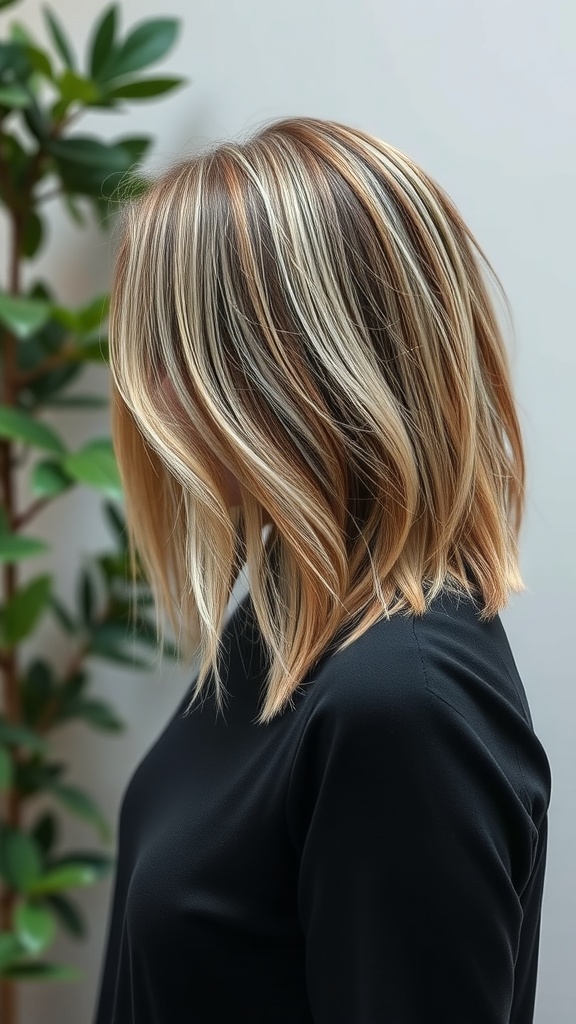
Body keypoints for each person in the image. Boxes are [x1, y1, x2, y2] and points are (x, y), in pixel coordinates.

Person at [92, 116, 552, 1024]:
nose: (149, 393)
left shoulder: (399, 705)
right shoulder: (285, 621)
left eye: (177, 348)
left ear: (288, 372)